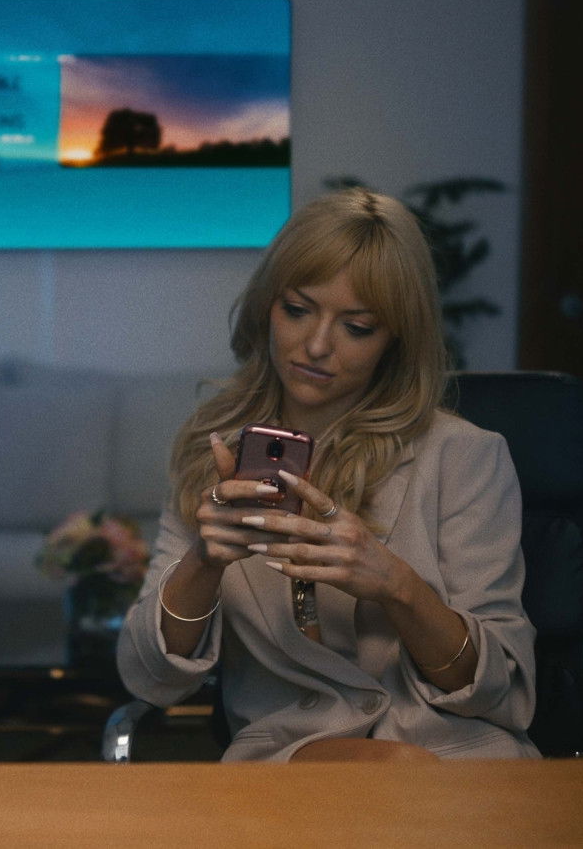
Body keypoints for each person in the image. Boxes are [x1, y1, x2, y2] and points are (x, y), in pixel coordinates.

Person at [117, 188, 538, 761]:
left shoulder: (465, 456)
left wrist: (397, 586)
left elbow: (501, 694)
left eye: (357, 327)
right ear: (266, 306)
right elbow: (150, 679)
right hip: (287, 768)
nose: (316, 346)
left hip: (451, 760)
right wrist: (203, 562)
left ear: (396, 339)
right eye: (296, 310)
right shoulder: (210, 454)